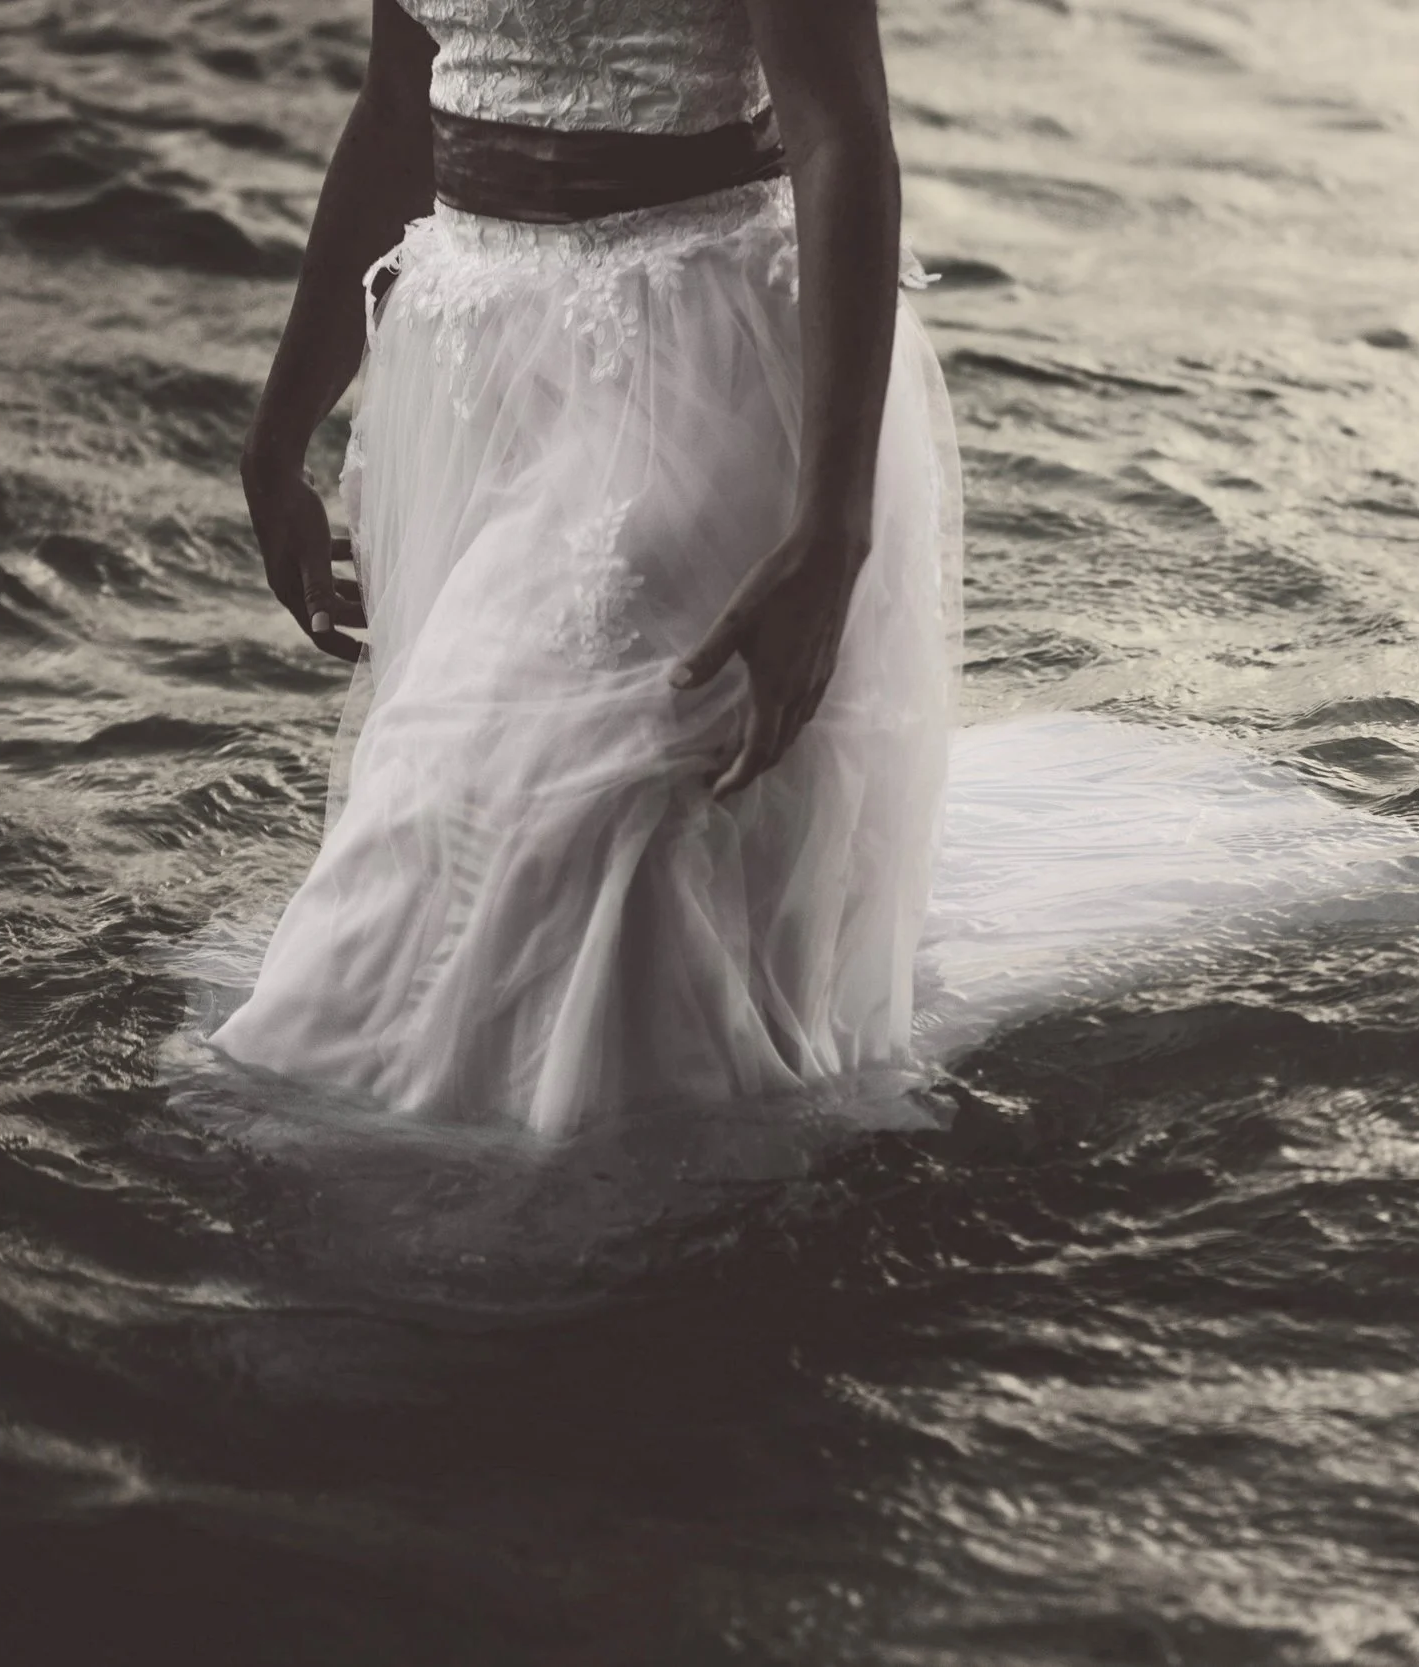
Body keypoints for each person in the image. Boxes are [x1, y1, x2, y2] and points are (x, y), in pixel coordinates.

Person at [213, 0, 960, 1133]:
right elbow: (396, 108)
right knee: (517, 806)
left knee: (573, 785)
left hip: (700, 353)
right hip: (480, 359)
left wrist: (833, 530)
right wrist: (278, 434)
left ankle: (566, 1193)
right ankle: (621, 1192)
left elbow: (840, 134)